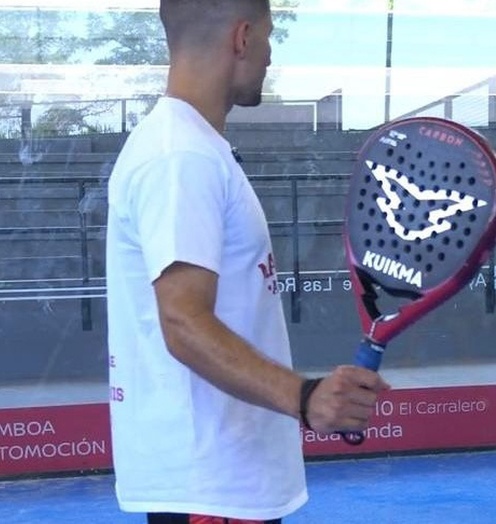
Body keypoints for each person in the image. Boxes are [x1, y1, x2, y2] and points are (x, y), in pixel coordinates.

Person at [105, 1, 390, 523]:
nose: (269, 54)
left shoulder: (193, 149)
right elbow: (182, 322)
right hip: (209, 488)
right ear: (241, 38)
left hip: (221, 481)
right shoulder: (180, 156)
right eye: (269, 35)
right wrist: (305, 398)